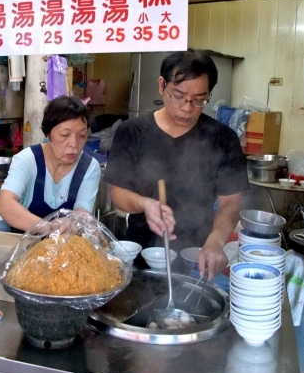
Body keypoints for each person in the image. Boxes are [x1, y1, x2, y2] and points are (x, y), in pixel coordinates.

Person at [105, 49, 249, 279]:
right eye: (178, 96)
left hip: (198, 254)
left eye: (199, 100)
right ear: (162, 85)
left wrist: (215, 242)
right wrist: (145, 204)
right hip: (141, 251)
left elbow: (230, 202)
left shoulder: (223, 138)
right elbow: (118, 193)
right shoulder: (132, 132)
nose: (187, 107)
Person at [0, 96, 101, 231]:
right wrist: (48, 228)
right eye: (64, 135)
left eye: (82, 135)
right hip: (25, 246)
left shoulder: (89, 167)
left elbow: (82, 215)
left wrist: (72, 223)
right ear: (47, 134)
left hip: (65, 247)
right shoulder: (28, 160)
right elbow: (4, 205)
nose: (74, 144)